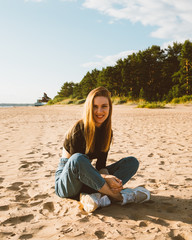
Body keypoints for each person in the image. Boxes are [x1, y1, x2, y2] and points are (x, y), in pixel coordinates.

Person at [55, 87, 150, 213]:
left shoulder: (107, 133)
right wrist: (105, 178)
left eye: (104, 106)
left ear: (109, 108)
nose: (99, 111)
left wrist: (108, 176)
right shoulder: (78, 129)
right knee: (78, 158)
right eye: (95, 106)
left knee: (132, 162)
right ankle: (118, 197)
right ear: (89, 108)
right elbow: (77, 168)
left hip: (89, 181)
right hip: (67, 184)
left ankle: (94, 197)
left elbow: (101, 166)